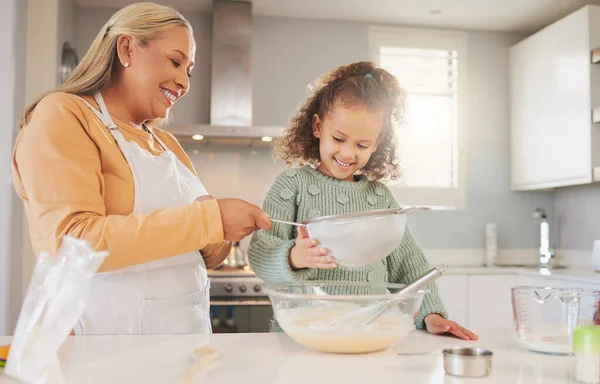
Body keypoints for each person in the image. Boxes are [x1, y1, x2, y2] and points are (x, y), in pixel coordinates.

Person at [11, 2, 271, 335]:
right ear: (126, 48)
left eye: (188, 70)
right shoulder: (63, 115)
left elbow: (204, 252)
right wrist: (210, 220)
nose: (184, 82)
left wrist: (219, 232)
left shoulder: (167, 144)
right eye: (175, 61)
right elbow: (70, 245)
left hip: (183, 351)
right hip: (100, 350)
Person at [248, 61, 477, 340]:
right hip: (307, 336)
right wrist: (294, 257)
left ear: (377, 144)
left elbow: (410, 264)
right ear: (318, 126)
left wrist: (432, 314)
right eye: (339, 138)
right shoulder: (292, 186)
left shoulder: (380, 196)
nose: (347, 153)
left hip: (373, 333)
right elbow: (261, 250)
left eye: (362, 145)